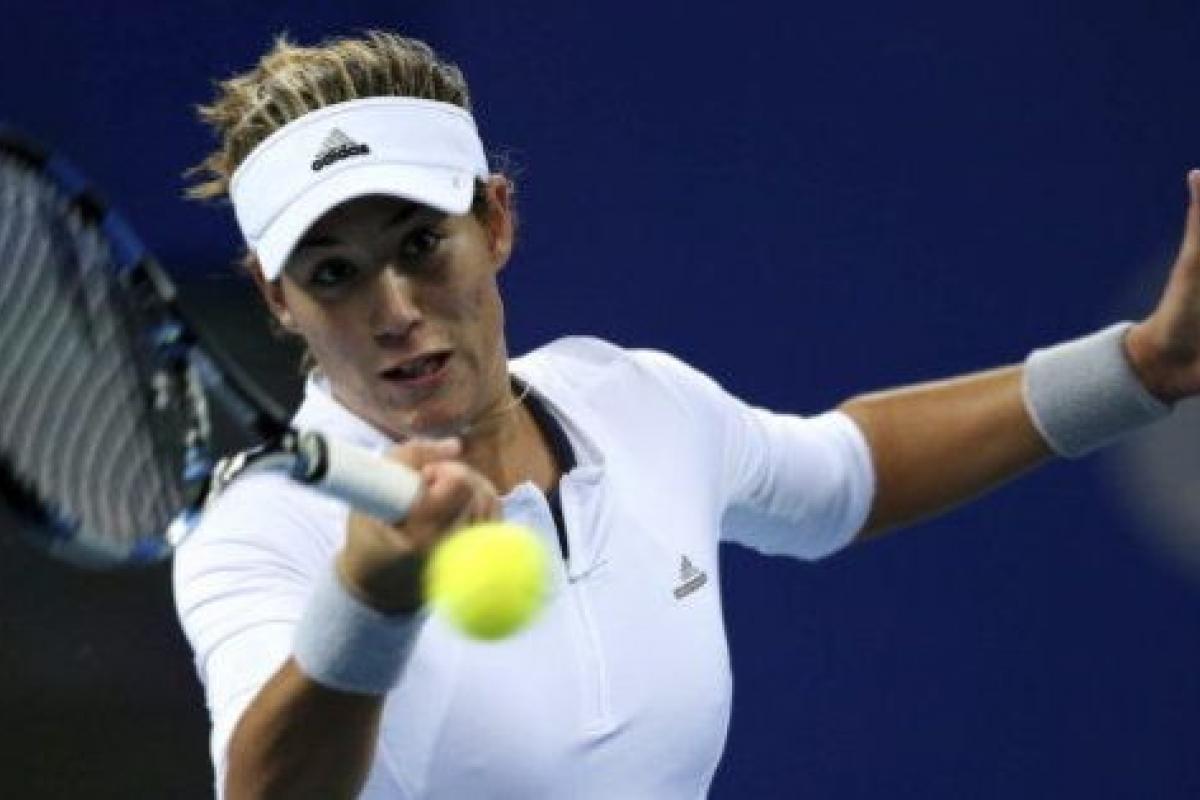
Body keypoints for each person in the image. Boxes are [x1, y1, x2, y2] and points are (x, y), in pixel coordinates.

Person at [173, 30, 1200, 800]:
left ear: (494, 221)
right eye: (334, 273)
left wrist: (1144, 366)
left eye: (419, 245)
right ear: (276, 297)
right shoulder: (265, 526)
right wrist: (370, 599)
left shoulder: (632, 401)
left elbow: (845, 473)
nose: (393, 309)